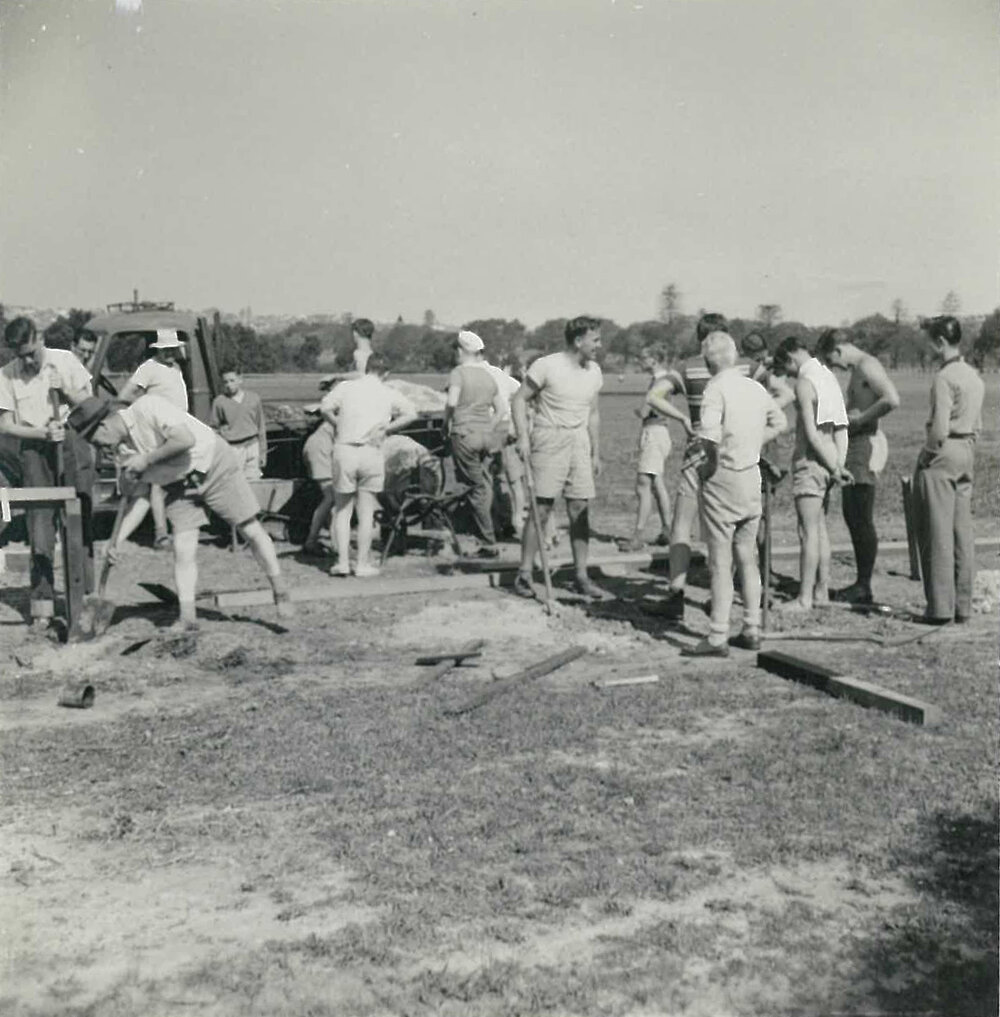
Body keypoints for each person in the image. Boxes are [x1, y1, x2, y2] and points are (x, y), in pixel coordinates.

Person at [68, 393, 293, 630]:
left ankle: (280, 590)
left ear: (104, 426)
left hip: (213, 465)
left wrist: (147, 459)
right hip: (178, 484)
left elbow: (184, 440)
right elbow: (142, 498)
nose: (100, 448)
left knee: (250, 529)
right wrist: (117, 541)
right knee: (183, 549)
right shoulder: (123, 452)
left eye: (96, 441)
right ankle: (188, 618)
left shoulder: (148, 406)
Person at [682, 332, 787, 656]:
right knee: (747, 557)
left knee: (720, 560)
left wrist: (709, 465)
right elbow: (780, 420)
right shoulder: (753, 386)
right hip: (751, 475)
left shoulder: (716, 388)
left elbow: (710, 435)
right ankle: (752, 627)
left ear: (708, 361)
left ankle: (717, 636)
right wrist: (755, 442)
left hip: (724, 476)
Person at [0, 317, 94, 627]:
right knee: (40, 527)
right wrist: (41, 434)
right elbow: (6, 425)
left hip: (69, 444)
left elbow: (89, 406)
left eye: (30, 352)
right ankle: (42, 606)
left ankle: (82, 601)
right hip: (34, 451)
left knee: (77, 522)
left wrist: (64, 390)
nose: (26, 360)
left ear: (39, 338)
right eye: (20, 354)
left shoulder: (65, 361)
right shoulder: (7, 375)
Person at [510, 315, 606, 600]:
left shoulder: (595, 371)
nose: (599, 345)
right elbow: (518, 400)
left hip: (579, 441)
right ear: (578, 341)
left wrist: (595, 452)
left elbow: (594, 413)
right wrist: (523, 437)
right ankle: (525, 574)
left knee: (580, 508)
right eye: (595, 340)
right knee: (541, 508)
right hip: (549, 437)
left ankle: (581, 575)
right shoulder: (547, 365)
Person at [654, 313, 737, 621]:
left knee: (681, 525)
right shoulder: (744, 368)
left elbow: (655, 396)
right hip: (732, 452)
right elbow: (780, 394)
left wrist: (683, 419)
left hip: (698, 451)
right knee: (724, 527)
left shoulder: (688, 367)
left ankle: (676, 592)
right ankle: (722, 595)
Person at [815, 328, 901, 604]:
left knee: (860, 514)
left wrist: (861, 419)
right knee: (853, 515)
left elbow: (892, 399)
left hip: (863, 443)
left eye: (832, 360)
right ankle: (861, 583)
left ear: (839, 349)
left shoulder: (867, 365)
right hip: (855, 443)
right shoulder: (860, 368)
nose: (834, 367)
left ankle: (864, 585)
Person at [911, 316, 985, 624]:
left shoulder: (944, 377)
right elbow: (978, 424)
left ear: (940, 341)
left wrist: (927, 456)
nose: (928, 347)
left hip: (943, 452)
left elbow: (939, 428)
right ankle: (962, 605)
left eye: (931, 341)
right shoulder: (973, 375)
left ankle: (940, 608)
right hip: (966, 449)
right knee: (960, 532)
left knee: (936, 531)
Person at [771, 336, 852, 612]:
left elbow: (812, 434)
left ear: (792, 357)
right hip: (831, 459)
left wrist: (835, 468)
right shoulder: (828, 377)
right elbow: (841, 428)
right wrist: (838, 464)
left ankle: (804, 598)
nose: (788, 373)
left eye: (787, 367)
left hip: (812, 462)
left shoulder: (805, 383)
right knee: (820, 530)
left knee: (807, 533)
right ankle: (821, 591)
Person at [320, 354, 418, 577]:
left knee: (342, 510)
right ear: (386, 373)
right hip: (371, 451)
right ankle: (362, 564)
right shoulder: (387, 392)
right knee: (366, 511)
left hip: (345, 448)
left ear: (366, 368)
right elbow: (412, 413)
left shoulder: (346, 387)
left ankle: (342, 562)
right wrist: (387, 429)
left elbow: (325, 408)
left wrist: (338, 424)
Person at [118, 329, 190, 549]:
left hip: (178, 429)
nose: (169, 353)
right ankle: (161, 534)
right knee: (156, 483)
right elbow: (125, 395)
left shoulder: (176, 368)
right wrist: (143, 408)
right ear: (157, 350)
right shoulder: (148, 368)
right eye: (165, 349)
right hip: (159, 432)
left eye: (172, 349)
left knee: (173, 481)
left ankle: (182, 527)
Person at [444, 330, 507, 558]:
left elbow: (451, 402)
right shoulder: (488, 377)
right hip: (486, 436)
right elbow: (501, 409)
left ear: (461, 351)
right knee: (485, 484)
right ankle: (489, 528)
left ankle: (487, 541)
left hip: (464, 434)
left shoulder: (458, 373)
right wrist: (488, 427)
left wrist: (446, 422)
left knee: (475, 488)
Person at [619, 344, 685, 552]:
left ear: (654, 360)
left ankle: (638, 536)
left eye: (644, 358)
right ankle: (667, 530)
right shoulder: (664, 379)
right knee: (657, 484)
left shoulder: (659, 382)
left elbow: (647, 409)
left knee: (643, 484)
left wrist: (639, 411)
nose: (640, 362)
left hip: (654, 433)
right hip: (659, 433)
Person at [210, 366, 268, 480]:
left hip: (252, 445)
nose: (229, 385)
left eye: (232, 380)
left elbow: (261, 426)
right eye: (225, 382)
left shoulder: (253, 399)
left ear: (240, 380)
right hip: (234, 447)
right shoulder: (219, 402)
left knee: (254, 481)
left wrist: (263, 452)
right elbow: (214, 428)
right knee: (235, 481)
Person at [301, 403, 338, 556]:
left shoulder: (327, 425)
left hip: (319, 450)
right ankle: (311, 540)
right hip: (320, 452)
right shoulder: (332, 421)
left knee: (331, 501)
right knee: (331, 498)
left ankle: (336, 542)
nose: (311, 418)